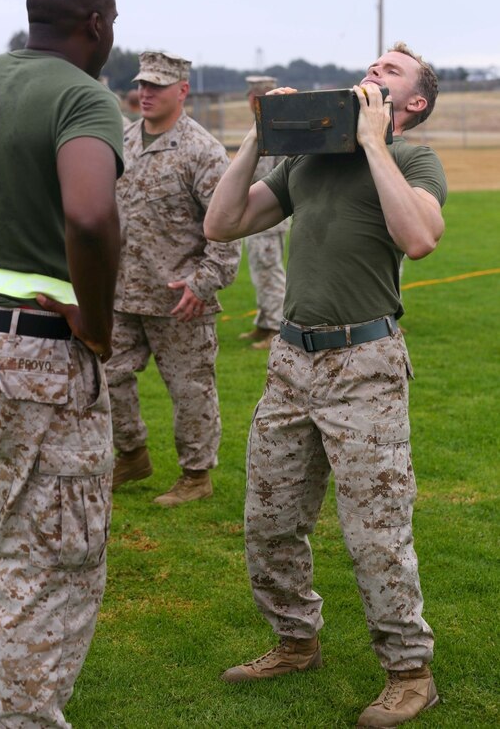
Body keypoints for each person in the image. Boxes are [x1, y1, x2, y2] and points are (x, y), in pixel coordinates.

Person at [204, 43, 447, 727]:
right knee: (270, 521)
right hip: (290, 362)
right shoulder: (306, 161)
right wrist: (258, 135)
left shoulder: (410, 160)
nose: (373, 72)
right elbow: (219, 223)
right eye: (371, 65)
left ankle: (408, 672)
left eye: (389, 71)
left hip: (362, 366)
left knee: (376, 532)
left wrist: (374, 142)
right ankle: (293, 642)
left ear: (414, 103)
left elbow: (419, 238)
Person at [0, 0, 124, 726]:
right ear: (95, 22)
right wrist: (97, 318)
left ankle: (2, 706)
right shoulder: (81, 96)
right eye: (111, 21)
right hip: (37, 352)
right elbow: (89, 215)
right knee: (51, 559)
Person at [106, 50, 241, 507]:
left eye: (157, 86)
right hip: (123, 291)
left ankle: (196, 475)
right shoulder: (122, 141)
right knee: (106, 378)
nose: (145, 93)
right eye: (142, 84)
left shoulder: (202, 151)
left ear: (182, 90)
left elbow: (228, 226)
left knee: (190, 391)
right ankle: (131, 453)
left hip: (181, 298)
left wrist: (204, 283)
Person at [238, 76, 289, 350]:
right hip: (256, 214)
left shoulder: (275, 129)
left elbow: (276, 175)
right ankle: (263, 322)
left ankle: (275, 329)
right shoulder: (262, 125)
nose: (249, 99)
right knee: (260, 270)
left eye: (253, 95)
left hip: (268, 216)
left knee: (270, 272)